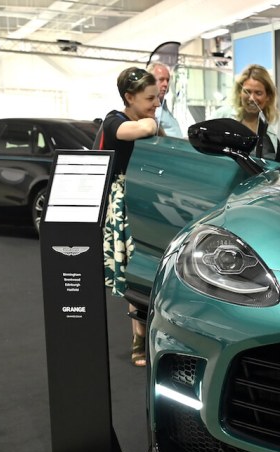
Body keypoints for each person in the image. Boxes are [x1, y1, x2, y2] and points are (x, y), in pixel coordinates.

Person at [99, 66, 161, 366]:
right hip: (125, 203)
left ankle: (149, 336)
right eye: (150, 98)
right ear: (129, 97)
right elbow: (134, 131)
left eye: (157, 97)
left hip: (146, 200)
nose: (156, 104)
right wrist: (151, 123)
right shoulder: (114, 120)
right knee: (132, 271)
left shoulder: (143, 118)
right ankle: (139, 337)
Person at [231, 64, 280, 161]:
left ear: (268, 96)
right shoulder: (223, 117)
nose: (252, 98)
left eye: (258, 93)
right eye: (247, 91)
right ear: (239, 92)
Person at [148, 62, 182, 138]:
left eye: (167, 80)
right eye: (161, 79)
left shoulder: (164, 107)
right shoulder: (150, 108)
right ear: (149, 82)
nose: (166, 84)